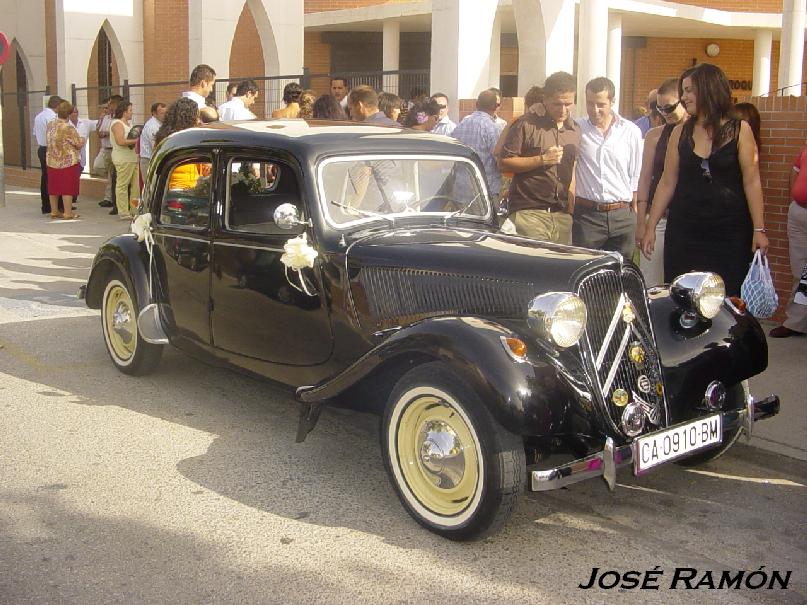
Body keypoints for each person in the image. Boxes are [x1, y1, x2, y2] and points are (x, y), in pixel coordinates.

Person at [641, 63, 769, 297]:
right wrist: (650, 226)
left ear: (708, 88)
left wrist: (759, 229)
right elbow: (667, 182)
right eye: (683, 90)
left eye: (689, 90)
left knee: (727, 300)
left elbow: (752, 182)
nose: (683, 97)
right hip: (684, 231)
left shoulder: (741, 130)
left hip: (730, 233)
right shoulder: (680, 132)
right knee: (682, 297)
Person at [499, 71, 580, 244]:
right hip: (529, 213)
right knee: (536, 267)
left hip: (562, 216)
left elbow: (572, 168)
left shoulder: (575, 130)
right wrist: (542, 159)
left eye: (568, 104)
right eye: (557, 104)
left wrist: (570, 207)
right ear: (545, 99)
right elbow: (504, 161)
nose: (563, 110)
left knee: (559, 269)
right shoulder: (526, 124)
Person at [573, 77, 642, 259]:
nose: (594, 110)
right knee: (585, 272)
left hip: (622, 216)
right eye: (590, 103)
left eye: (600, 104)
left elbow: (635, 174)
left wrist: (635, 214)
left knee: (621, 274)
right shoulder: (576, 128)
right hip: (587, 217)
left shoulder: (630, 131)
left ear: (612, 102)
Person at [635, 78, 689, 286]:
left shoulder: (697, 134)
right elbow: (645, 178)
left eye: (669, 107)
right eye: (659, 108)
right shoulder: (654, 136)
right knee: (652, 283)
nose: (664, 113)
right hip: (659, 218)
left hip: (687, 218)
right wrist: (642, 223)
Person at [768, 143, 807, 338]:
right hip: (799, 213)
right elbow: (795, 172)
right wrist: (795, 199)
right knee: (799, 271)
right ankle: (796, 323)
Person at [451, 90, 504, 198]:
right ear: (495, 107)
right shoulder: (493, 128)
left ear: (476, 104)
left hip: (461, 189)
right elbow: (499, 159)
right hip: (485, 191)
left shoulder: (461, 124)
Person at [45, 100, 84, 220]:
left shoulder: (51, 124)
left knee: (54, 187)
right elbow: (78, 143)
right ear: (68, 114)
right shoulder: (68, 128)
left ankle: (54, 211)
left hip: (52, 160)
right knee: (67, 187)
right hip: (67, 161)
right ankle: (68, 212)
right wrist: (82, 139)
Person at [33, 95, 63, 214]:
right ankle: (57, 206)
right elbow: (55, 135)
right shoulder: (52, 117)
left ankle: (45, 205)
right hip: (51, 149)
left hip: (41, 148)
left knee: (45, 177)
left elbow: (35, 133)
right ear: (57, 106)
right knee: (55, 178)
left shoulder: (39, 116)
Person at [110, 99, 139, 219]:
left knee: (136, 187)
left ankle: (134, 209)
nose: (132, 113)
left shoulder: (128, 124)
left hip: (132, 158)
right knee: (122, 185)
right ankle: (123, 211)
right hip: (123, 158)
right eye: (130, 110)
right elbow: (120, 141)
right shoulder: (117, 124)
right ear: (124, 112)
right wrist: (137, 141)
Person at [97, 95, 123, 209]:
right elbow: (99, 131)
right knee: (103, 170)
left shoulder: (119, 119)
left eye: (111, 104)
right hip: (106, 148)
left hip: (115, 148)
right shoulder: (105, 118)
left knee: (114, 174)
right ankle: (109, 197)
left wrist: (108, 133)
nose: (109, 107)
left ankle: (111, 198)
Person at [139, 102, 166, 184]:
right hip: (149, 161)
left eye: (166, 113)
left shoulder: (160, 124)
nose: (164, 115)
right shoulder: (152, 126)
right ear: (154, 113)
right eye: (162, 113)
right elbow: (156, 147)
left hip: (153, 160)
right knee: (150, 188)